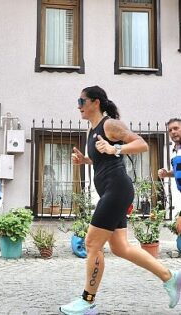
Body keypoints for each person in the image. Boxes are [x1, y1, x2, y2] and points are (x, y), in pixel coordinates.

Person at [59, 86, 181, 315]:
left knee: (92, 244)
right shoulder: (92, 130)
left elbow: (142, 144)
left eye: (81, 101)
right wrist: (85, 160)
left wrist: (115, 148)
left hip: (117, 189)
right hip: (110, 190)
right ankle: (171, 277)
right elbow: (102, 160)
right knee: (120, 247)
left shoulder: (110, 124)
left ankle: (87, 302)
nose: (78, 106)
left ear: (95, 102)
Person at [158, 118, 181, 234]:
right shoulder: (175, 150)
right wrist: (167, 173)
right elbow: (178, 171)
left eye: (176, 128)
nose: (173, 132)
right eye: (170, 130)